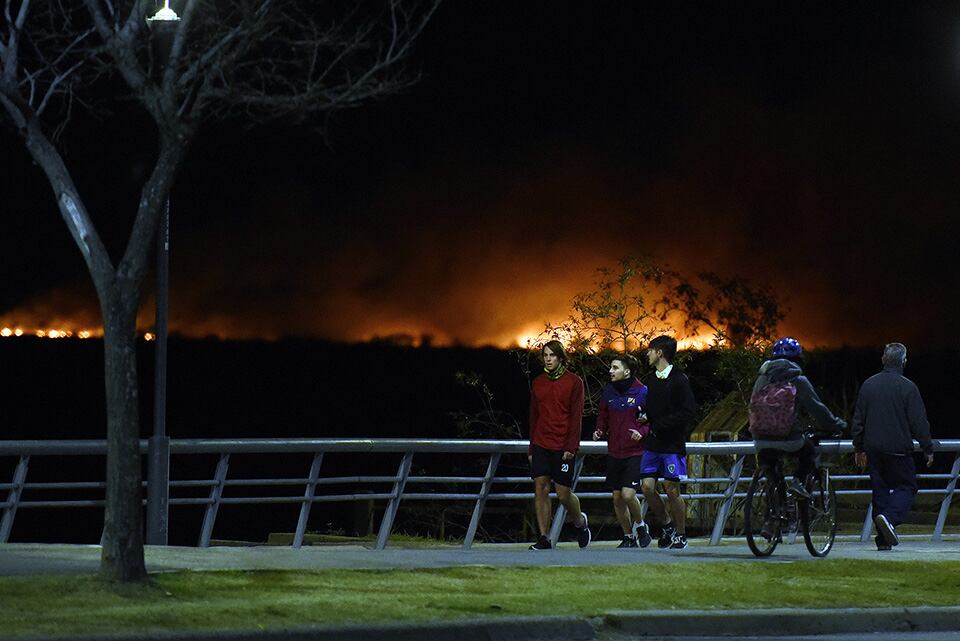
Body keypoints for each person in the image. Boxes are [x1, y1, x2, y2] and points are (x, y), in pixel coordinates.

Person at [750, 337, 847, 530]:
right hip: (789, 439)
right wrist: (836, 424)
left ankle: (772, 518)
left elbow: (753, 406)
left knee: (771, 472)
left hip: (760, 439)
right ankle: (798, 481)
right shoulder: (798, 380)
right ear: (798, 359)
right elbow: (817, 409)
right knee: (808, 452)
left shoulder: (762, 377)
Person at [852, 342, 934, 551]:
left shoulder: (868, 385)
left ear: (883, 360)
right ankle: (889, 518)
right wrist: (927, 447)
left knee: (879, 490)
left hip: (873, 449)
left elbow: (858, 419)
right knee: (907, 486)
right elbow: (918, 422)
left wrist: (858, 447)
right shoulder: (908, 387)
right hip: (898, 448)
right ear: (904, 361)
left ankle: (883, 540)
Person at [527, 340, 591, 550]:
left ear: (561, 357)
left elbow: (576, 417)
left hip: (563, 444)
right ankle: (544, 538)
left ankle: (580, 523)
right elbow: (533, 416)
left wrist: (570, 447)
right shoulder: (537, 382)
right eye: (545, 355)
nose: (548, 358)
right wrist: (531, 447)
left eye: (552, 355)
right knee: (540, 487)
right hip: (540, 443)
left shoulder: (574, 382)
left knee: (563, 493)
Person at [639, 335, 698, 550]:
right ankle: (666, 524)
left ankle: (681, 534)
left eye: (650, 350)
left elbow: (689, 411)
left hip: (672, 444)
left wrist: (663, 424)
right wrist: (645, 416)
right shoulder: (650, 380)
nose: (647, 353)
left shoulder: (679, 379)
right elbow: (651, 408)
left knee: (672, 490)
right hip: (653, 443)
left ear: (659, 353)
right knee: (646, 487)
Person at [593, 354, 653, 548]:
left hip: (635, 453)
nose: (610, 371)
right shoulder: (609, 391)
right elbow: (603, 413)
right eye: (611, 367)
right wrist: (599, 430)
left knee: (628, 495)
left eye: (615, 367)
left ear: (626, 371)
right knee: (617, 498)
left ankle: (641, 525)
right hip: (614, 452)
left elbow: (651, 420)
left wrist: (642, 432)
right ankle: (628, 536)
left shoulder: (642, 392)